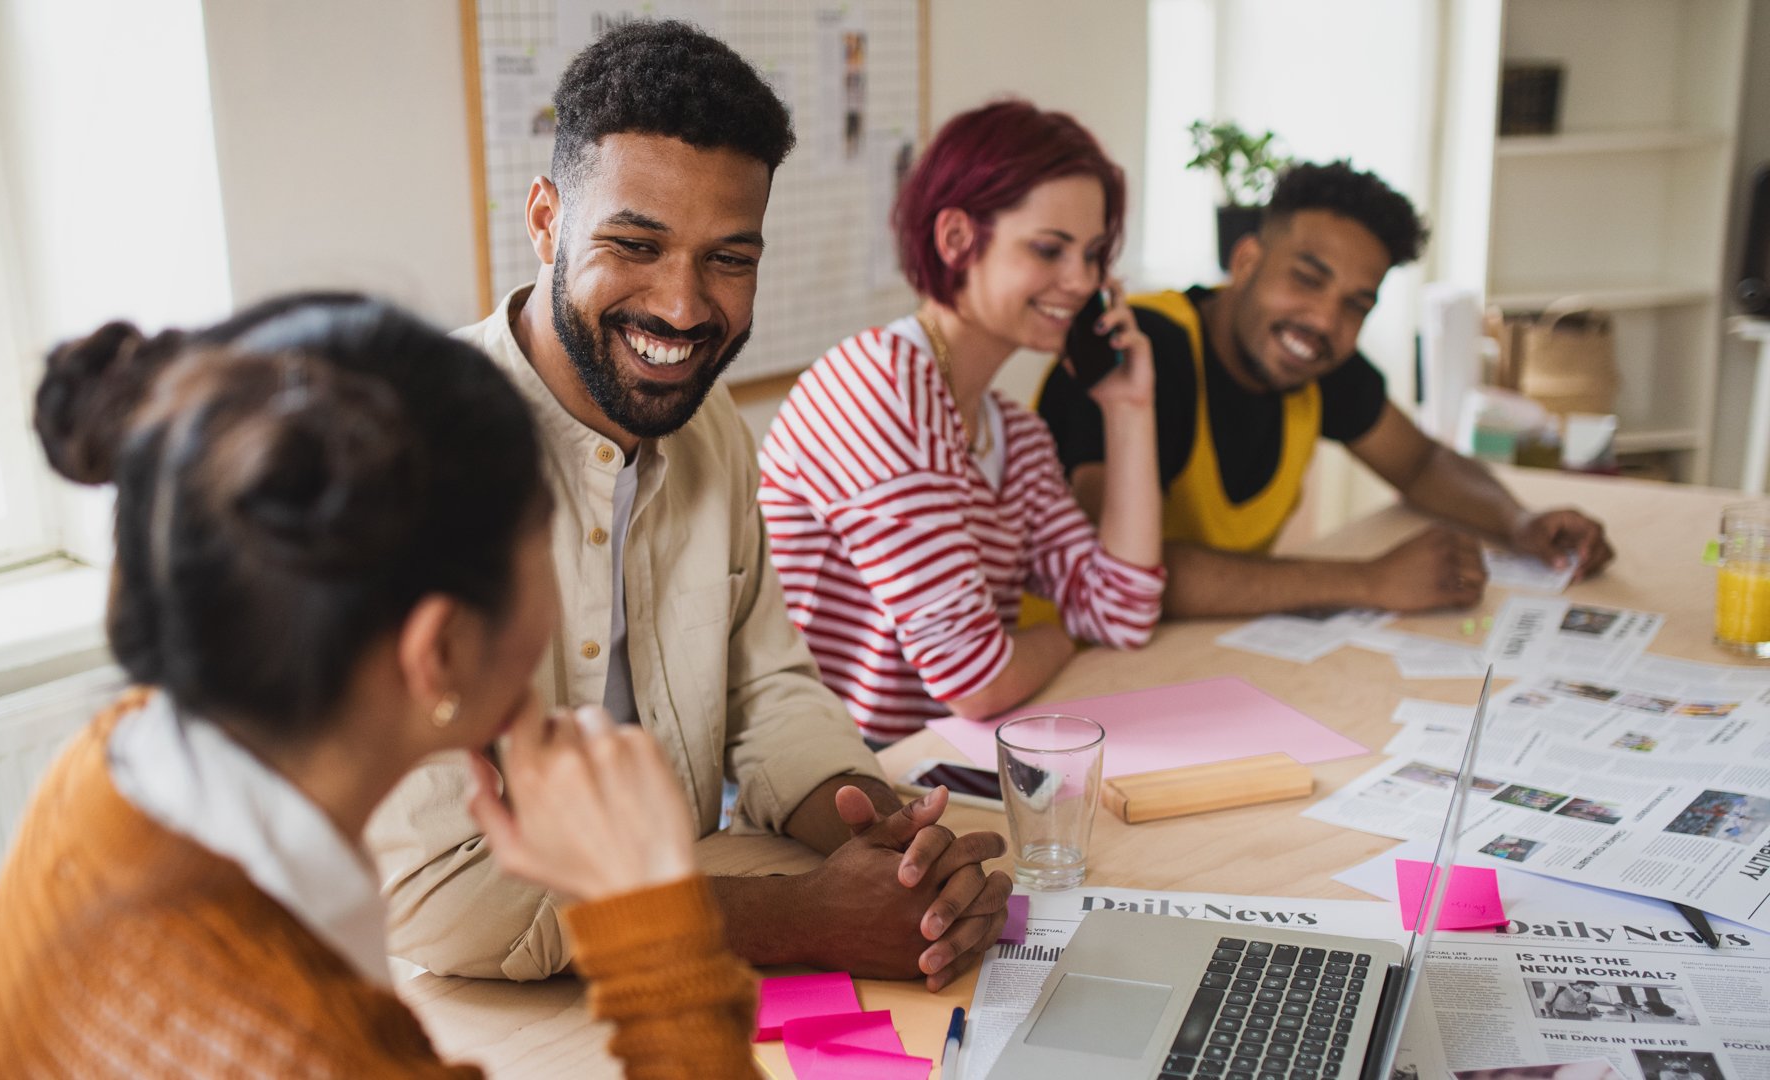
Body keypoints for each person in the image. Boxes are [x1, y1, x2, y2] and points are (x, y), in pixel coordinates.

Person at [0, 295, 758, 1077]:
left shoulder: (123, 760)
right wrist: (651, 922)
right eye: (548, 534)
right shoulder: (302, 1043)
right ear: (440, 650)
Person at [366, 20, 1011, 992]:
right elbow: (445, 900)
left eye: (729, 258)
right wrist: (798, 916)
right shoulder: (396, 460)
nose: (682, 306)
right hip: (453, 1014)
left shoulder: (707, 432)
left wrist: (876, 834)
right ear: (545, 220)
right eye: (636, 243)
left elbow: (768, 690)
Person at [1036, 161, 1614, 617]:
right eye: (1307, 279)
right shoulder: (1142, 352)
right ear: (1245, 260)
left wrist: (1518, 522)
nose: (1322, 320)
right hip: (1062, 692)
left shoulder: (1317, 363)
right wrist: (1368, 581)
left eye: (1355, 305)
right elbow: (1123, 572)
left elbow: (1420, 463)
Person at [758, 100, 1164, 742]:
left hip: (935, 775)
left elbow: (1123, 612)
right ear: (956, 240)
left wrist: (1128, 407)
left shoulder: (1012, 433)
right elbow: (976, 684)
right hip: (823, 789)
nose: (1083, 281)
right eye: (1049, 249)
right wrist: (1062, 635)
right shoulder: (880, 388)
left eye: (1093, 254)